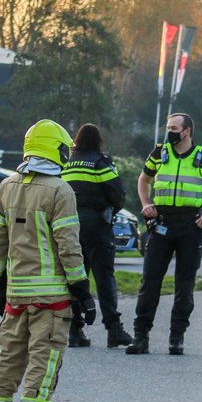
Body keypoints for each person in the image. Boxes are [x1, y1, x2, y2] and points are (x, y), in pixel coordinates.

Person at [0, 119, 95, 402]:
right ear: (54, 148)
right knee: (42, 366)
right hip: (52, 298)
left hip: (16, 295)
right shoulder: (60, 191)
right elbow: (69, 247)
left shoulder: (7, 187)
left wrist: (0, 282)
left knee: (7, 361)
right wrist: (83, 292)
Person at [126, 113, 202, 355]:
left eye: (174, 128)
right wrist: (145, 204)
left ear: (187, 131)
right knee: (150, 281)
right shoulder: (159, 153)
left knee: (185, 284)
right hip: (161, 225)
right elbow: (143, 180)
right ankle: (141, 336)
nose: (170, 131)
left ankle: (176, 337)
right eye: (168, 127)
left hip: (189, 227)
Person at [61, 123, 132, 349]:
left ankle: (74, 330)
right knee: (104, 279)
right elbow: (118, 194)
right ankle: (113, 330)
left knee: (75, 278)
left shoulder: (67, 164)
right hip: (98, 227)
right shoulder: (101, 162)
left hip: (71, 227)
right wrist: (111, 209)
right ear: (98, 140)